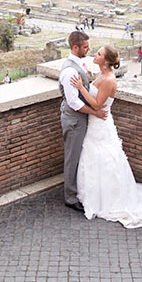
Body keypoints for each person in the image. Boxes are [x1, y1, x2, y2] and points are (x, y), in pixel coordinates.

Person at [70, 46, 142, 228]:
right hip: (95, 122)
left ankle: (107, 200)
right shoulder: (102, 74)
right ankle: (93, 194)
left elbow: (98, 104)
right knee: (94, 156)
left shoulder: (108, 79)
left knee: (104, 157)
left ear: (106, 61)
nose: (95, 54)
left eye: (99, 54)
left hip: (100, 123)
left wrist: (80, 88)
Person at [58, 31, 108, 211]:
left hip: (79, 119)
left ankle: (78, 190)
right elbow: (74, 102)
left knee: (79, 156)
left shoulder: (79, 65)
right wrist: (95, 112)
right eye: (85, 47)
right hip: (74, 120)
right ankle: (70, 197)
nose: (89, 49)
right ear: (75, 47)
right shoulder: (70, 70)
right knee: (72, 157)